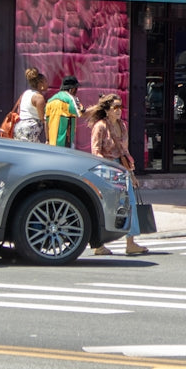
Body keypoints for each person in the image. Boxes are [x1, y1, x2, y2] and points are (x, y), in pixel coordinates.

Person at [86, 94, 149, 256]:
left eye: (120, 107)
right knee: (105, 206)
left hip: (121, 168)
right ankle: (98, 244)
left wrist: (131, 174)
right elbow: (95, 151)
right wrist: (109, 167)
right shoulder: (100, 126)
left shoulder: (122, 126)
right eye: (115, 107)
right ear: (107, 110)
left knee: (130, 203)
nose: (118, 110)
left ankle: (131, 242)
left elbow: (124, 151)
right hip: (107, 169)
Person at [45, 75, 83, 147]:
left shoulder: (50, 101)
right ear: (72, 89)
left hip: (52, 144)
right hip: (65, 144)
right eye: (76, 89)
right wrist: (99, 107)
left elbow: (46, 122)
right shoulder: (71, 99)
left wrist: (47, 140)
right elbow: (83, 113)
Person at [12, 67, 48, 143]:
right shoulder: (39, 98)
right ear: (40, 83)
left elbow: (19, 110)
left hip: (19, 127)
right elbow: (43, 118)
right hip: (31, 129)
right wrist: (48, 139)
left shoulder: (25, 93)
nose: (47, 84)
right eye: (45, 81)